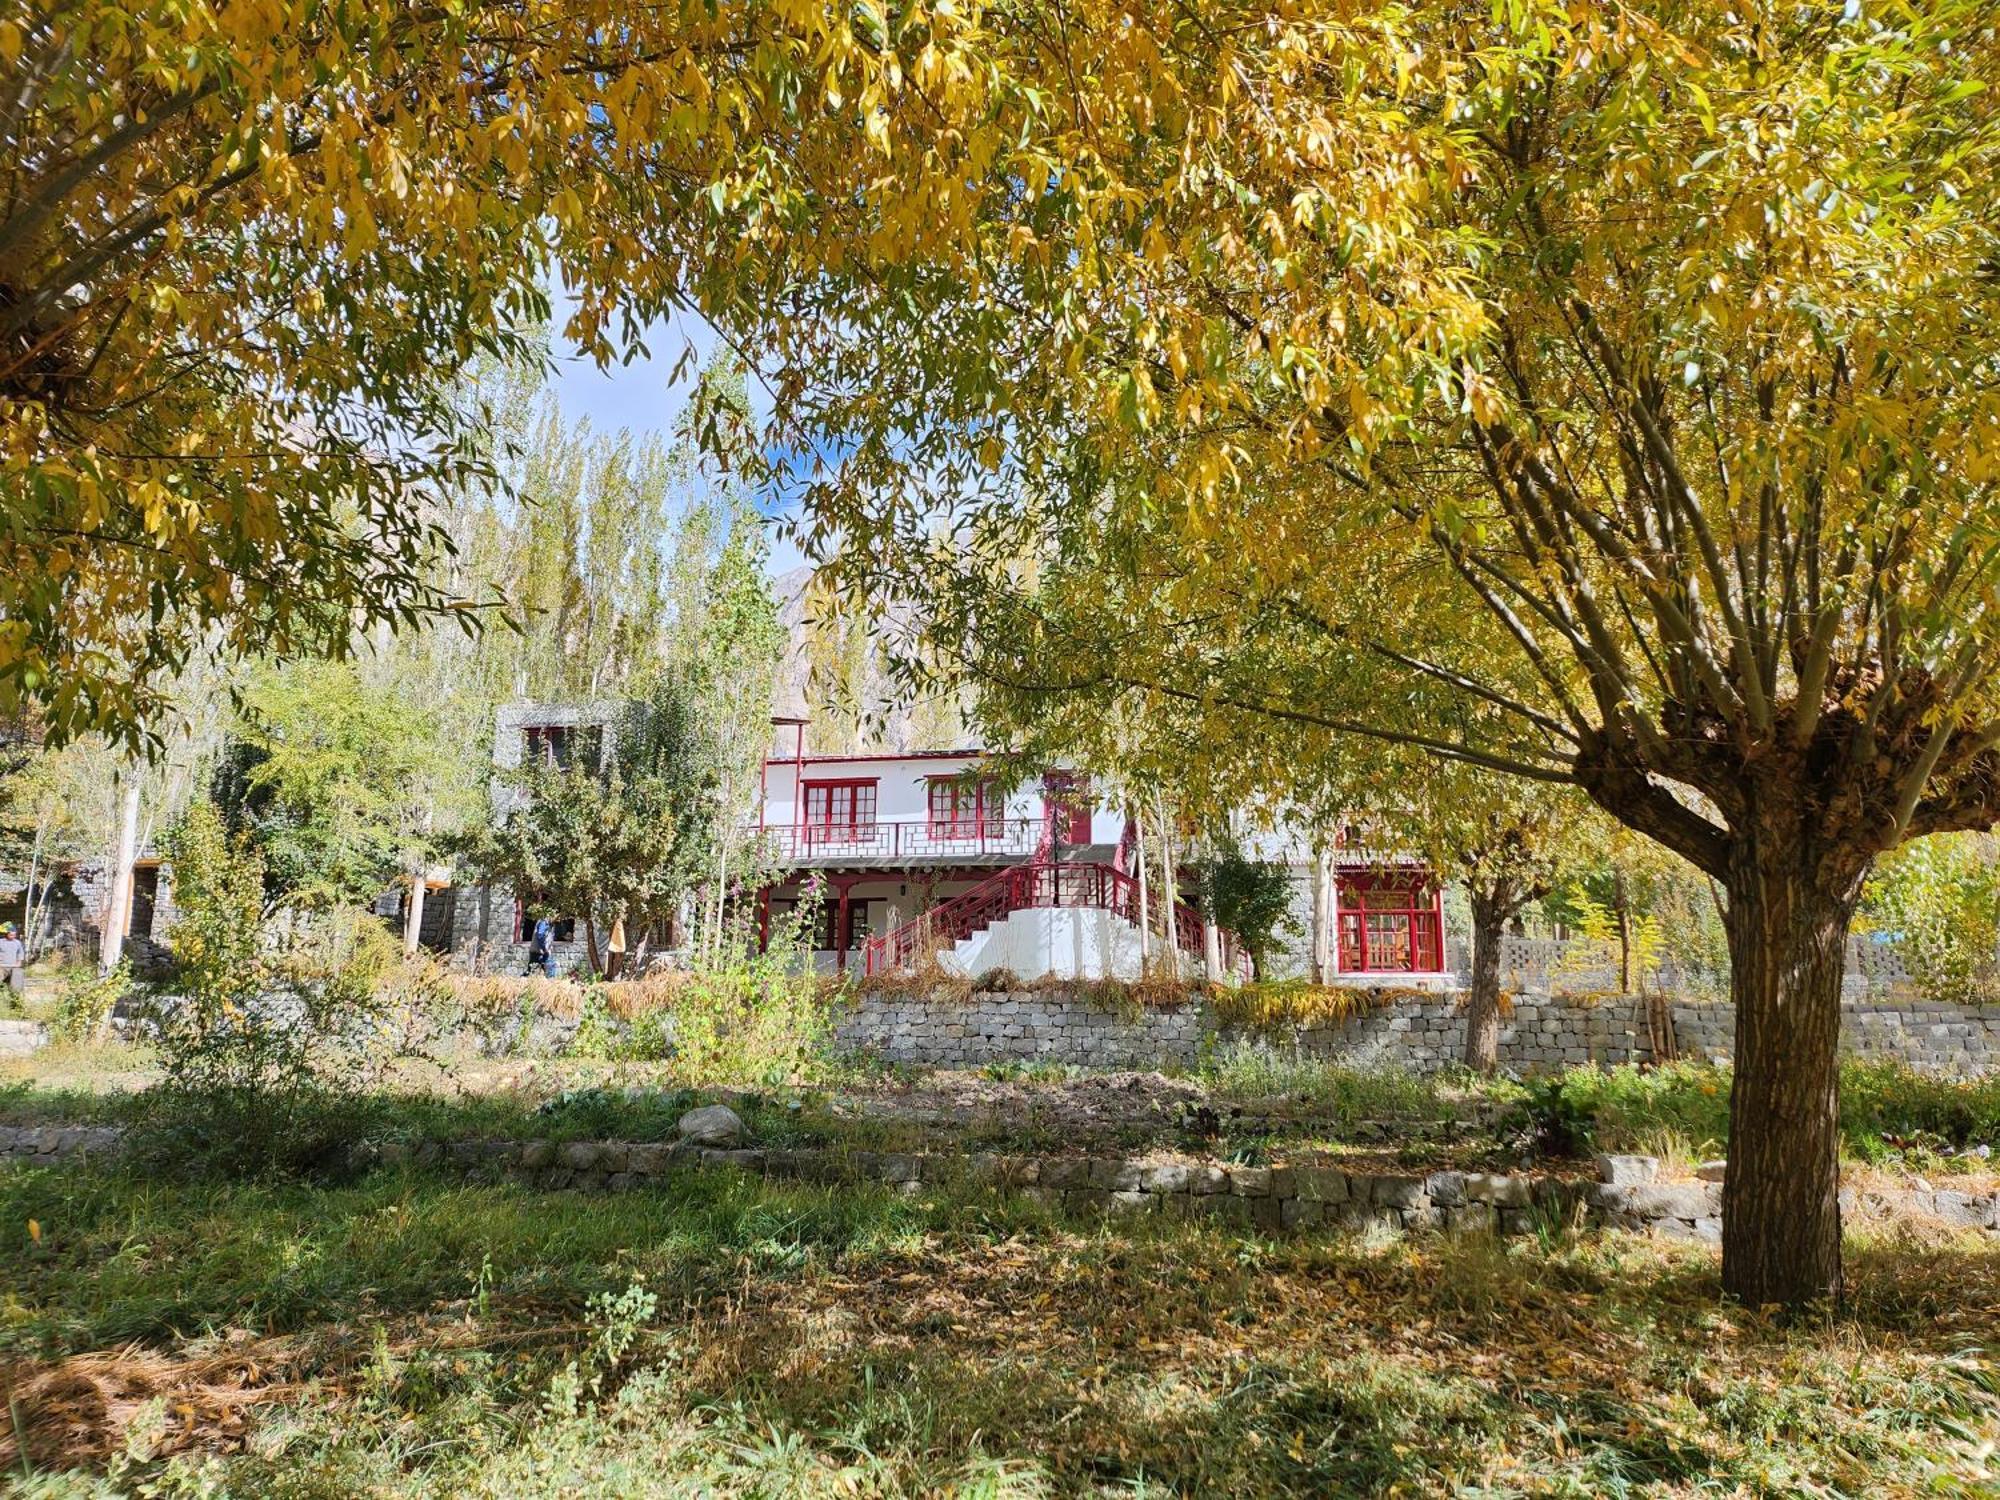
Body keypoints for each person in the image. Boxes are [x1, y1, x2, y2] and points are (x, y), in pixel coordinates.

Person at [0, 923, 24, 994]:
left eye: (14, 935)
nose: (13, 936)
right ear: (6, 934)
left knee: (16, 984)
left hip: (13, 966)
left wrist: (19, 962)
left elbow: (20, 953)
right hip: (2, 966)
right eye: (11, 935)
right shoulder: (1, 942)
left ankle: (14, 997)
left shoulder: (17, 943)